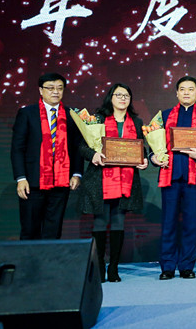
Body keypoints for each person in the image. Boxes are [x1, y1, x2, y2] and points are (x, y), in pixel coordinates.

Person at [78, 83, 150, 282]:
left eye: (126, 95)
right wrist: (93, 155)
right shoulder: (97, 119)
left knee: (118, 221)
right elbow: (82, 147)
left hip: (126, 180)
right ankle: (100, 266)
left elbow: (142, 149)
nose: (122, 98)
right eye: (118, 95)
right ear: (110, 97)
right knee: (100, 221)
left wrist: (144, 160)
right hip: (100, 179)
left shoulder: (137, 122)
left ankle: (114, 268)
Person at [152, 76, 196, 280]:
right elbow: (152, 143)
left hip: (194, 177)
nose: (186, 92)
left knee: (191, 223)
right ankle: (167, 266)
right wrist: (154, 157)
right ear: (177, 93)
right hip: (170, 176)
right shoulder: (163, 116)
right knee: (169, 222)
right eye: (182, 89)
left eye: (191, 89)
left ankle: (187, 266)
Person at [11, 72, 83, 240]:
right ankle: (29, 258)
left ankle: (50, 259)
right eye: (50, 88)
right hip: (32, 182)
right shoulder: (27, 113)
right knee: (30, 230)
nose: (55, 92)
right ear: (41, 90)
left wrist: (76, 173)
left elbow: (77, 147)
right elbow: (17, 148)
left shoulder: (71, 115)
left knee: (53, 230)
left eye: (59, 88)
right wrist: (21, 178)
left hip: (61, 182)